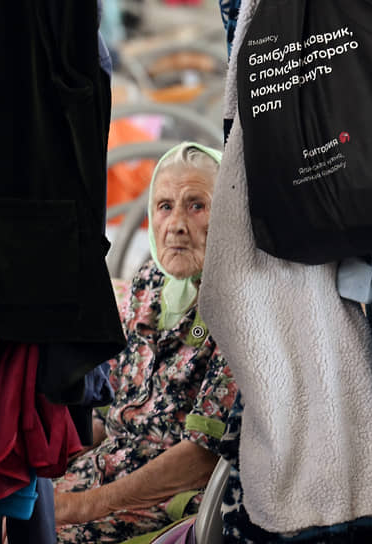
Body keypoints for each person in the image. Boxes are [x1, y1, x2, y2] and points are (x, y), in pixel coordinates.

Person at [53, 142, 237, 543]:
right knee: (10, 516)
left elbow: (202, 457)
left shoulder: (237, 302)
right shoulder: (147, 283)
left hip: (176, 494)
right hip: (113, 469)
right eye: (164, 206)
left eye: (196, 205)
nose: (175, 225)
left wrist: (85, 504)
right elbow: (116, 408)